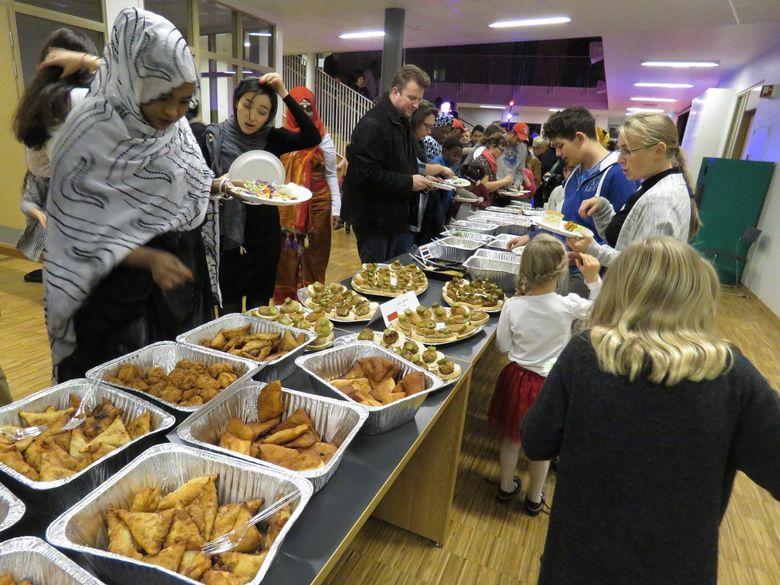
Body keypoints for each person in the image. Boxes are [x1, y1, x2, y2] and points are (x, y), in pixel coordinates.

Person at [522, 236, 780, 585]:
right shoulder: (732, 375)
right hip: (679, 569)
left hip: (577, 562)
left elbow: (536, 441)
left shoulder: (585, 354)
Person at [44, 8, 229, 382]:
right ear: (136, 80)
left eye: (184, 101)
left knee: (178, 384)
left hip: (173, 288)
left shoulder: (172, 131)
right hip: (116, 304)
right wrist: (147, 258)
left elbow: (183, 180)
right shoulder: (92, 132)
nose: (174, 112)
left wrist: (221, 185)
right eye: (164, 97)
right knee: (124, 397)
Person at [491, 234, 601, 513]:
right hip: (550, 385)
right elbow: (600, 311)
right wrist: (594, 280)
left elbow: (502, 345)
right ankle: (534, 497)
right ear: (562, 269)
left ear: (524, 268)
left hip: (515, 379)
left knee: (511, 438)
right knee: (543, 444)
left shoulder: (513, 305)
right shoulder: (568, 304)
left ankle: (505, 487)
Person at [200, 74, 321, 313]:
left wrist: (284, 92)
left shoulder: (272, 138)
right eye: (247, 105)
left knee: (260, 309)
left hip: (265, 238)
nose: (252, 116)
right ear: (236, 102)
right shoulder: (214, 137)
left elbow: (312, 136)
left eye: (262, 111)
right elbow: (201, 183)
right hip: (229, 240)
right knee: (230, 311)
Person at [341, 65, 452, 263]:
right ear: (394, 92)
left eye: (418, 99)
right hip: (373, 219)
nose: (416, 104)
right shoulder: (373, 124)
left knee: (387, 277)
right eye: (412, 98)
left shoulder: (400, 122)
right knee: (375, 282)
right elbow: (367, 174)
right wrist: (409, 182)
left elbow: (401, 165)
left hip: (390, 218)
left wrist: (423, 179)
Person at [12, 28, 98, 284]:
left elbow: (39, 168)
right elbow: (143, 91)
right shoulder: (83, 100)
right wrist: (90, 62)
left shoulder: (43, 109)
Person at [567, 112, 699, 266]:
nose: (620, 159)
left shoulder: (659, 200)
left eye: (627, 151)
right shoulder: (654, 184)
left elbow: (641, 267)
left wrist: (593, 250)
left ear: (658, 150)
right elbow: (626, 237)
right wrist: (603, 210)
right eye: (620, 150)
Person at [274, 87, 341, 302]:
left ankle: (312, 300)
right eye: (299, 107)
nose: (305, 111)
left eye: (309, 107)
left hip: (318, 208)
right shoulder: (282, 137)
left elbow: (331, 174)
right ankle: (288, 302)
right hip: (289, 211)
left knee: (315, 255)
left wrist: (337, 209)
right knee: (288, 255)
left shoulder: (324, 139)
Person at [544, 107, 639, 240]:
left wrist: (589, 251)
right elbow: (565, 220)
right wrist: (534, 236)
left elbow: (622, 239)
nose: (558, 154)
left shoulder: (619, 174)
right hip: (566, 257)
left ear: (579, 138)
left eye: (560, 146)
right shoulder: (574, 174)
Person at [472, 133, 514, 200]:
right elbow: (483, 187)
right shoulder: (482, 160)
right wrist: (504, 181)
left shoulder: (490, 162)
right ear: (492, 145)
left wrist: (496, 190)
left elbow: (489, 183)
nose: (502, 153)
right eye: (501, 149)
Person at [498, 123, 529, 187]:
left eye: (522, 140)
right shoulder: (498, 141)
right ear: (512, 133)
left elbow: (520, 171)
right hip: (494, 184)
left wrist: (515, 185)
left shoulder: (522, 148)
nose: (519, 142)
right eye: (518, 139)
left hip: (509, 188)